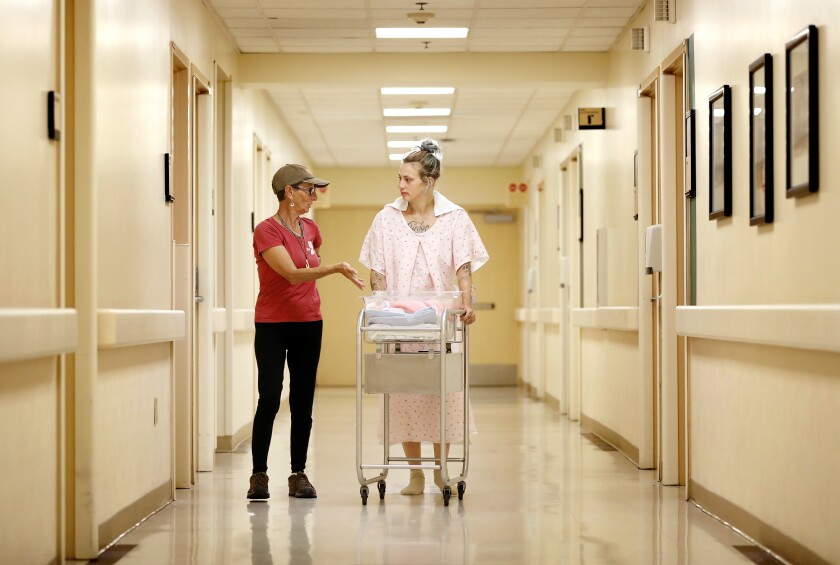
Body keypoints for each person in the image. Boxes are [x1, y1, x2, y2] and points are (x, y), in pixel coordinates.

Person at [359, 139, 489, 495]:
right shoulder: (386, 218)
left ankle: (440, 469)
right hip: (399, 321)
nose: (401, 185)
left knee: (441, 395)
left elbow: (463, 267)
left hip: (440, 320)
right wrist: (381, 307)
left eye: (408, 179)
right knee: (403, 394)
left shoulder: (454, 218)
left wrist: (466, 303)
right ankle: (415, 474)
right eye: (398, 178)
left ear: (429, 182)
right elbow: (378, 269)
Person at [248, 163, 365, 500]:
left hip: (309, 322)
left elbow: (309, 268)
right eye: (308, 189)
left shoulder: (311, 229)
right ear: (289, 192)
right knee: (270, 398)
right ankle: (259, 476)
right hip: (272, 324)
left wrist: (325, 268)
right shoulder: (266, 231)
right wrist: (337, 267)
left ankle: (298, 473)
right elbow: (293, 274)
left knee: (303, 401)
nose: (314, 196)